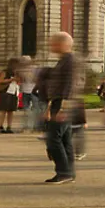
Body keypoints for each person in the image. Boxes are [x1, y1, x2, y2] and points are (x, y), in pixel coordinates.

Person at [41, 32, 80, 183]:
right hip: (60, 102)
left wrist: (63, 107)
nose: (52, 46)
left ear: (63, 44)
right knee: (65, 139)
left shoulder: (69, 61)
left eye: (54, 43)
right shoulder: (64, 60)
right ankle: (69, 172)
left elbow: (70, 84)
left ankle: (64, 172)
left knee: (53, 138)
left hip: (64, 103)